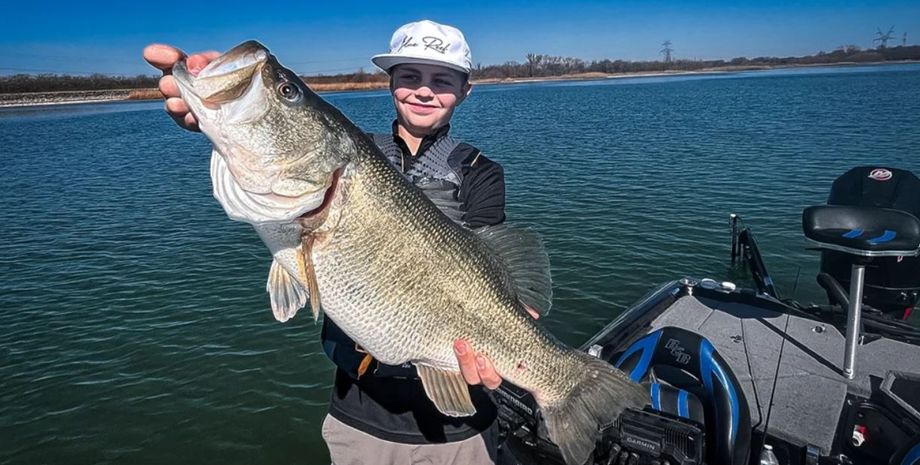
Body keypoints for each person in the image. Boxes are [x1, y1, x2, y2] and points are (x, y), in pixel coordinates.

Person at [144, 19, 539, 465]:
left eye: (442, 80)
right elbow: (270, 156)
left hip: (461, 427)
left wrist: (515, 331)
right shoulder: (349, 148)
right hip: (359, 412)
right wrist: (217, 126)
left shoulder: (481, 172)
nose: (424, 91)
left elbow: (494, 267)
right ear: (390, 83)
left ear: (465, 91)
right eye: (409, 76)